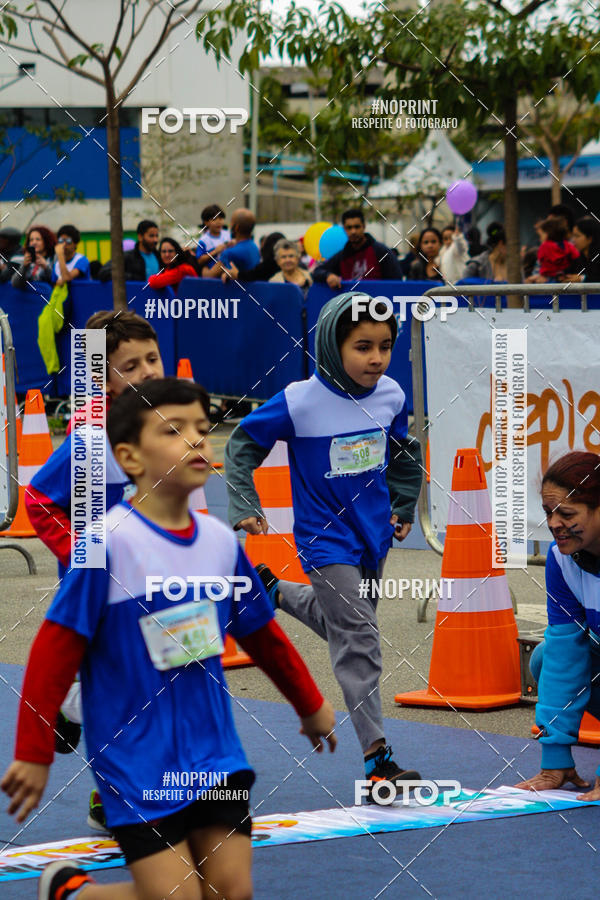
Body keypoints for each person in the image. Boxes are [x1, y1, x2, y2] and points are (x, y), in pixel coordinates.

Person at [2, 377, 336, 900]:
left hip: (215, 755)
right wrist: (33, 750)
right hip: (136, 760)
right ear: (129, 458)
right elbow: (54, 651)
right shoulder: (105, 546)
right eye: (173, 430)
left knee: (231, 891)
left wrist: (309, 703)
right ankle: (71, 892)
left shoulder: (221, 542)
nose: (196, 439)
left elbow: (262, 635)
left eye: (202, 427)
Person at [225, 291, 423, 800]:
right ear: (333, 347)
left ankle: (274, 592)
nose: (376, 358)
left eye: (385, 346)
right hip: (323, 538)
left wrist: (403, 505)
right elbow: (243, 442)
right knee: (359, 637)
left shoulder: (391, 394)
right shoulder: (300, 401)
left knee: (349, 622)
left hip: (373, 534)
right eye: (362, 347)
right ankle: (378, 758)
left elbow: (403, 452)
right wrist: (244, 500)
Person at [26, 310, 165, 832]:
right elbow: (39, 500)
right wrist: (84, 554)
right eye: (131, 365)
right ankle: (112, 794)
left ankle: (71, 706)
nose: (148, 371)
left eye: (153, 358)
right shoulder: (92, 436)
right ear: (104, 379)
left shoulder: (164, 422)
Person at [515, 451, 600, 802]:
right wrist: (555, 760)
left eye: (567, 514)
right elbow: (565, 654)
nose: (553, 523)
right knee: (546, 657)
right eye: (549, 512)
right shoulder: (560, 559)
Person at [312, 208, 404, 288]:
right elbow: (317, 271)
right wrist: (328, 276)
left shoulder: (381, 251)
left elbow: (397, 281)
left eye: (357, 227)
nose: (353, 231)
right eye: (349, 227)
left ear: (363, 227)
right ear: (344, 229)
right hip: (351, 301)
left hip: (379, 301)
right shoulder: (342, 255)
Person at [202, 208, 260, 278]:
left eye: (231, 222)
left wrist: (203, 266)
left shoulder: (229, 253)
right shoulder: (255, 247)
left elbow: (209, 275)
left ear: (236, 227)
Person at [526, 215, 579, 283]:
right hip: (564, 278)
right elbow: (576, 255)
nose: (540, 238)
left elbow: (540, 261)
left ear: (548, 234)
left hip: (547, 280)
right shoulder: (568, 245)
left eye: (541, 235)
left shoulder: (544, 246)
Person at [11, 225, 56, 289]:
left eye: (38, 239)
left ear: (46, 241)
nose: (34, 242)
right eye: (31, 240)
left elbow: (57, 282)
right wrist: (24, 267)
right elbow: (15, 284)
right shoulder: (26, 259)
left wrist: (46, 267)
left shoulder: (54, 258)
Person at [559, 215, 600, 284]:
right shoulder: (577, 258)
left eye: (577, 236)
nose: (573, 240)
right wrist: (561, 276)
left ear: (590, 238)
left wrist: (582, 278)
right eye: (573, 236)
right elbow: (566, 272)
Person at [195, 203, 232, 269]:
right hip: (214, 272)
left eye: (220, 218)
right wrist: (215, 251)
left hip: (229, 268)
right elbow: (199, 261)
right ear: (206, 222)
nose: (218, 222)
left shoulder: (228, 234)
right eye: (214, 219)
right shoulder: (204, 240)